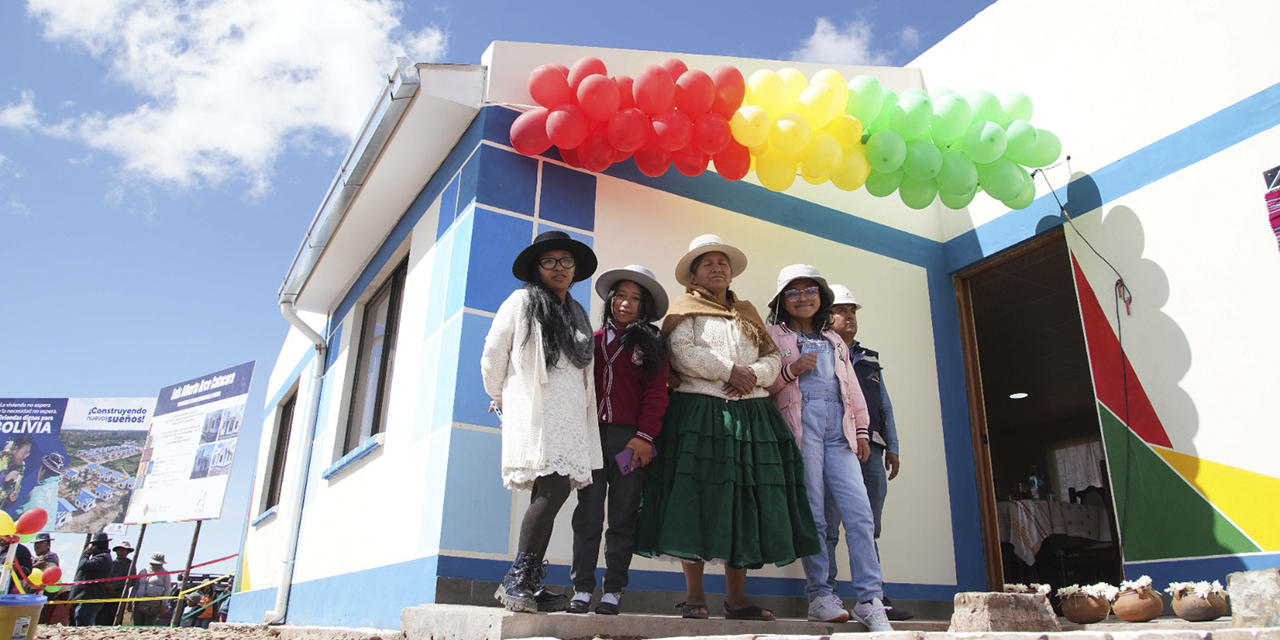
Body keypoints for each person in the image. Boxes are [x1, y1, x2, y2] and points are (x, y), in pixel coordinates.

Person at [636, 234, 820, 621]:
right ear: (693, 275)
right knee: (696, 497)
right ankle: (694, 594)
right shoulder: (684, 310)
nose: (718, 268)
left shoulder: (748, 313)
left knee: (743, 501)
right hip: (700, 414)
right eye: (708, 263)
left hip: (751, 415)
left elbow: (772, 356)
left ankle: (737, 599)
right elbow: (683, 353)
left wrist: (751, 375)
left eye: (723, 263)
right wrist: (730, 372)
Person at [763, 265, 890, 630]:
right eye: (793, 292)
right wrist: (791, 371)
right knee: (814, 515)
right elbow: (765, 383)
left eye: (810, 291)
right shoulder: (773, 335)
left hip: (841, 434)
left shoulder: (834, 340)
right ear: (782, 301)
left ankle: (870, 599)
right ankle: (820, 593)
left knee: (860, 514)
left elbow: (851, 387)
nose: (802, 298)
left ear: (821, 298)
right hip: (802, 431)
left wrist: (862, 432)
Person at [481, 230, 602, 613]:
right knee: (552, 491)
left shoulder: (577, 313)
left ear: (575, 267)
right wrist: (498, 396)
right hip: (537, 410)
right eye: (549, 261)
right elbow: (493, 351)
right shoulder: (521, 301)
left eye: (566, 260)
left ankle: (527, 581)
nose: (559, 268)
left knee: (553, 492)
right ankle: (517, 578)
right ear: (537, 269)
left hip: (569, 415)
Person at [568, 265, 670, 616]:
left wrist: (643, 437)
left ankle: (614, 590)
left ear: (644, 307)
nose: (626, 303)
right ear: (611, 300)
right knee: (588, 515)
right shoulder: (591, 341)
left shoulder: (652, 346)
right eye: (621, 296)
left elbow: (657, 395)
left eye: (635, 298)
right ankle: (582, 587)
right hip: (592, 438)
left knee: (623, 517)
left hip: (631, 441)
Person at [826, 284, 912, 621]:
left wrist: (893, 446)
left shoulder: (868, 357)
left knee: (867, 524)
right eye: (841, 310)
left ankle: (876, 599)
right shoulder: (822, 352)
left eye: (853, 311)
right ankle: (828, 594)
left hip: (872, 451)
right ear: (826, 316)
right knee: (830, 524)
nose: (849, 317)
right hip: (838, 447)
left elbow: (885, 406)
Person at [70, 532, 112, 626]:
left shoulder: (103, 558)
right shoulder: (101, 557)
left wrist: (86, 553)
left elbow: (83, 565)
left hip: (91, 597)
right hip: (88, 597)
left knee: (84, 623)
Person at [97, 540, 134, 625]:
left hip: (120, 596)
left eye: (123, 550)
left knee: (116, 619)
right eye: (119, 550)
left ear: (127, 552)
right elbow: (103, 577)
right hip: (105, 595)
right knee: (102, 619)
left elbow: (131, 581)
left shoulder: (130, 564)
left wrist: (115, 588)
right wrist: (108, 587)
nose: (121, 552)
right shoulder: (110, 563)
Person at [132, 552, 172, 626]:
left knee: (148, 625)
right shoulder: (143, 571)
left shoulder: (165, 574)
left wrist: (163, 604)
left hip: (154, 604)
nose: (157, 566)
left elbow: (167, 590)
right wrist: (130, 600)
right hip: (139, 601)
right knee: (137, 625)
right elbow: (136, 586)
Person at [0, 436, 33, 507]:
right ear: (15, 449)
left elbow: (6, 503)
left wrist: (11, 499)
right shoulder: (1, 458)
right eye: (23, 452)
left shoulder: (20, 469)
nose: (24, 457)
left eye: (27, 454)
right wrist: (4, 478)